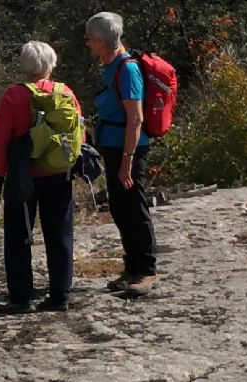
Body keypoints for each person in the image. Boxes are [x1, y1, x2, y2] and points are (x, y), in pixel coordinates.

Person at [0, 41, 81, 313]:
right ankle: (60, 296)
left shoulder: (13, 96)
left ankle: (21, 298)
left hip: (24, 175)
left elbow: (0, 138)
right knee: (60, 234)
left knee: (19, 236)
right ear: (50, 65)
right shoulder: (66, 93)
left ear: (24, 65)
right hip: (58, 173)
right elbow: (80, 132)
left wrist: (0, 170)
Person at [85, 12, 160, 296]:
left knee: (134, 208)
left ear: (102, 40)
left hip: (130, 150)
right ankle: (132, 269)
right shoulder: (111, 65)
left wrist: (127, 162)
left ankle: (146, 272)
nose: (87, 43)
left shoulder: (127, 70)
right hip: (115, 149)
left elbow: (136, 119)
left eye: (90, 38)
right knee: (119, 207)